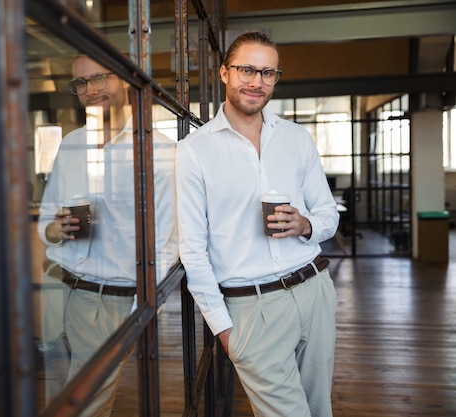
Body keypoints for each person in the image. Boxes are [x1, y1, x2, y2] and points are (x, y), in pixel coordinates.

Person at [175, 31, 340, 417]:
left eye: (268, 73)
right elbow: (193, 252)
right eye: (246, 69)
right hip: (252, 308)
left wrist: (304, 225)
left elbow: (328, 215)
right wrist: (227, 333)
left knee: (319, 409)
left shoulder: (297, 138)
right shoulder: (193, 152)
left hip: (314, 290)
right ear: (224, 73)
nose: (257, 82)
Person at [37, 54, 179, 416]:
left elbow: (169, 241)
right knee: (67, 395)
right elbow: (46, 219)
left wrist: (141, 307)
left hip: (116, 299)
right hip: (65, 290)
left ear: (126, 83)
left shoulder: (159, 150)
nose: (90, 90)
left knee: (82, 402)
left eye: (100, 79)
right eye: (81, 83)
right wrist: (55, 228)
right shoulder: (70, 144)